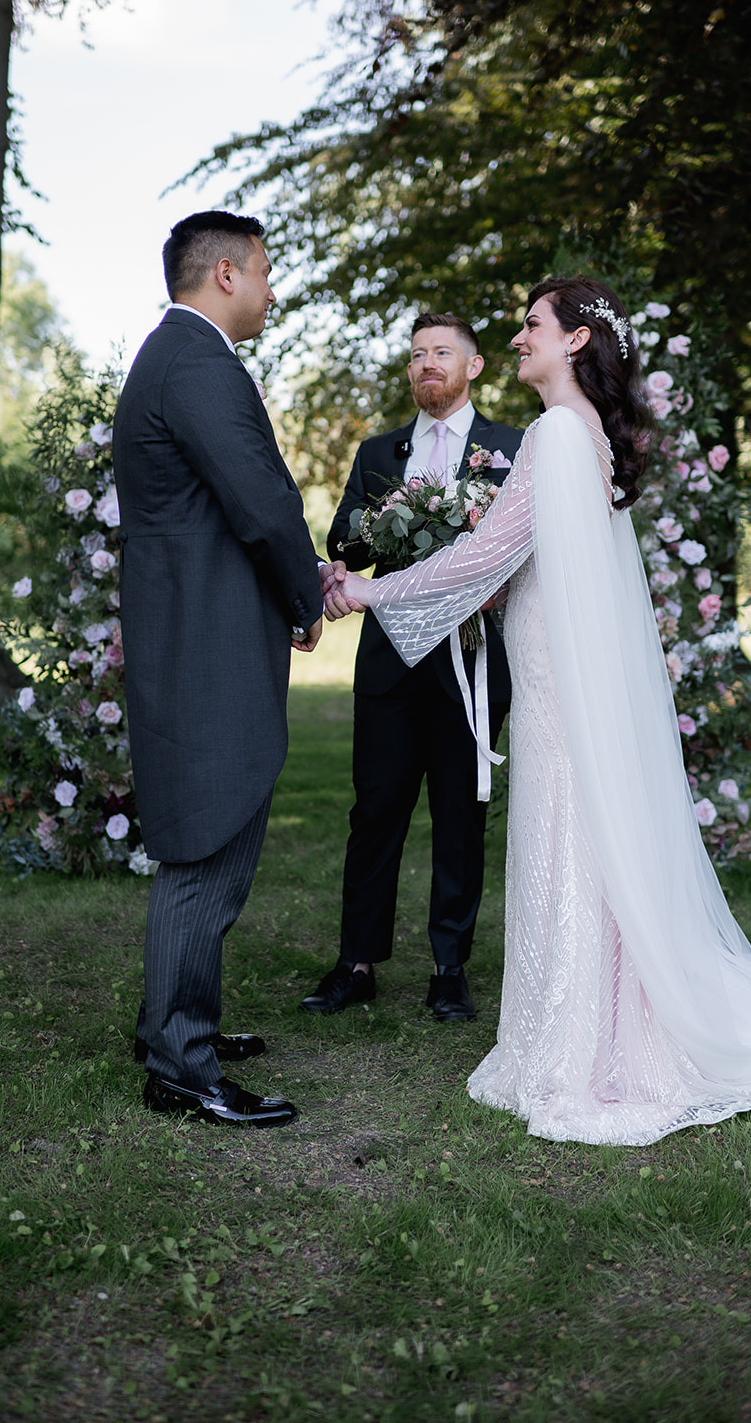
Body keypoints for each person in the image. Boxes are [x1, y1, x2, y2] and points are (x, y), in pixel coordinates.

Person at [329, 276, 751, 1144]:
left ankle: (579, 1044)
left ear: (576, 340)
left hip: (555, 678)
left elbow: (484, 554)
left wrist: (368, 591)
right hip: (559, 668)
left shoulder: (553, 434)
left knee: (567, 834)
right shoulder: (584, 436)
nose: (517, 340)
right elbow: (535, 562)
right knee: (579, 834)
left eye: (531, 325)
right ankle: (601, 1020)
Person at [113, 211, 325, 1128]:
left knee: (207, 842)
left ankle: (170, 1024)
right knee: (206, 846)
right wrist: (305, 595)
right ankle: (179, 1065)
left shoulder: (174, 357)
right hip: (205, 645)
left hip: (193, 635)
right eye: (266, 273)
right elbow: (261, 501)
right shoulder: (197, 363)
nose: (273, 293)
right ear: (227, 274)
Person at [301, 315, 523, 1022]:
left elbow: (530, 546)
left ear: (473, 367)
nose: (427, 363)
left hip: (473, 657)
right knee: (375, 812)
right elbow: (344, 541)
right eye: (417, 354)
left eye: (441, 353)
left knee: (460, 815)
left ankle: (448, 968)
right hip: (390, 662)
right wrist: (384, 520)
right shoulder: (378, 451)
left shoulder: (512, 449)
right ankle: (356, 963)